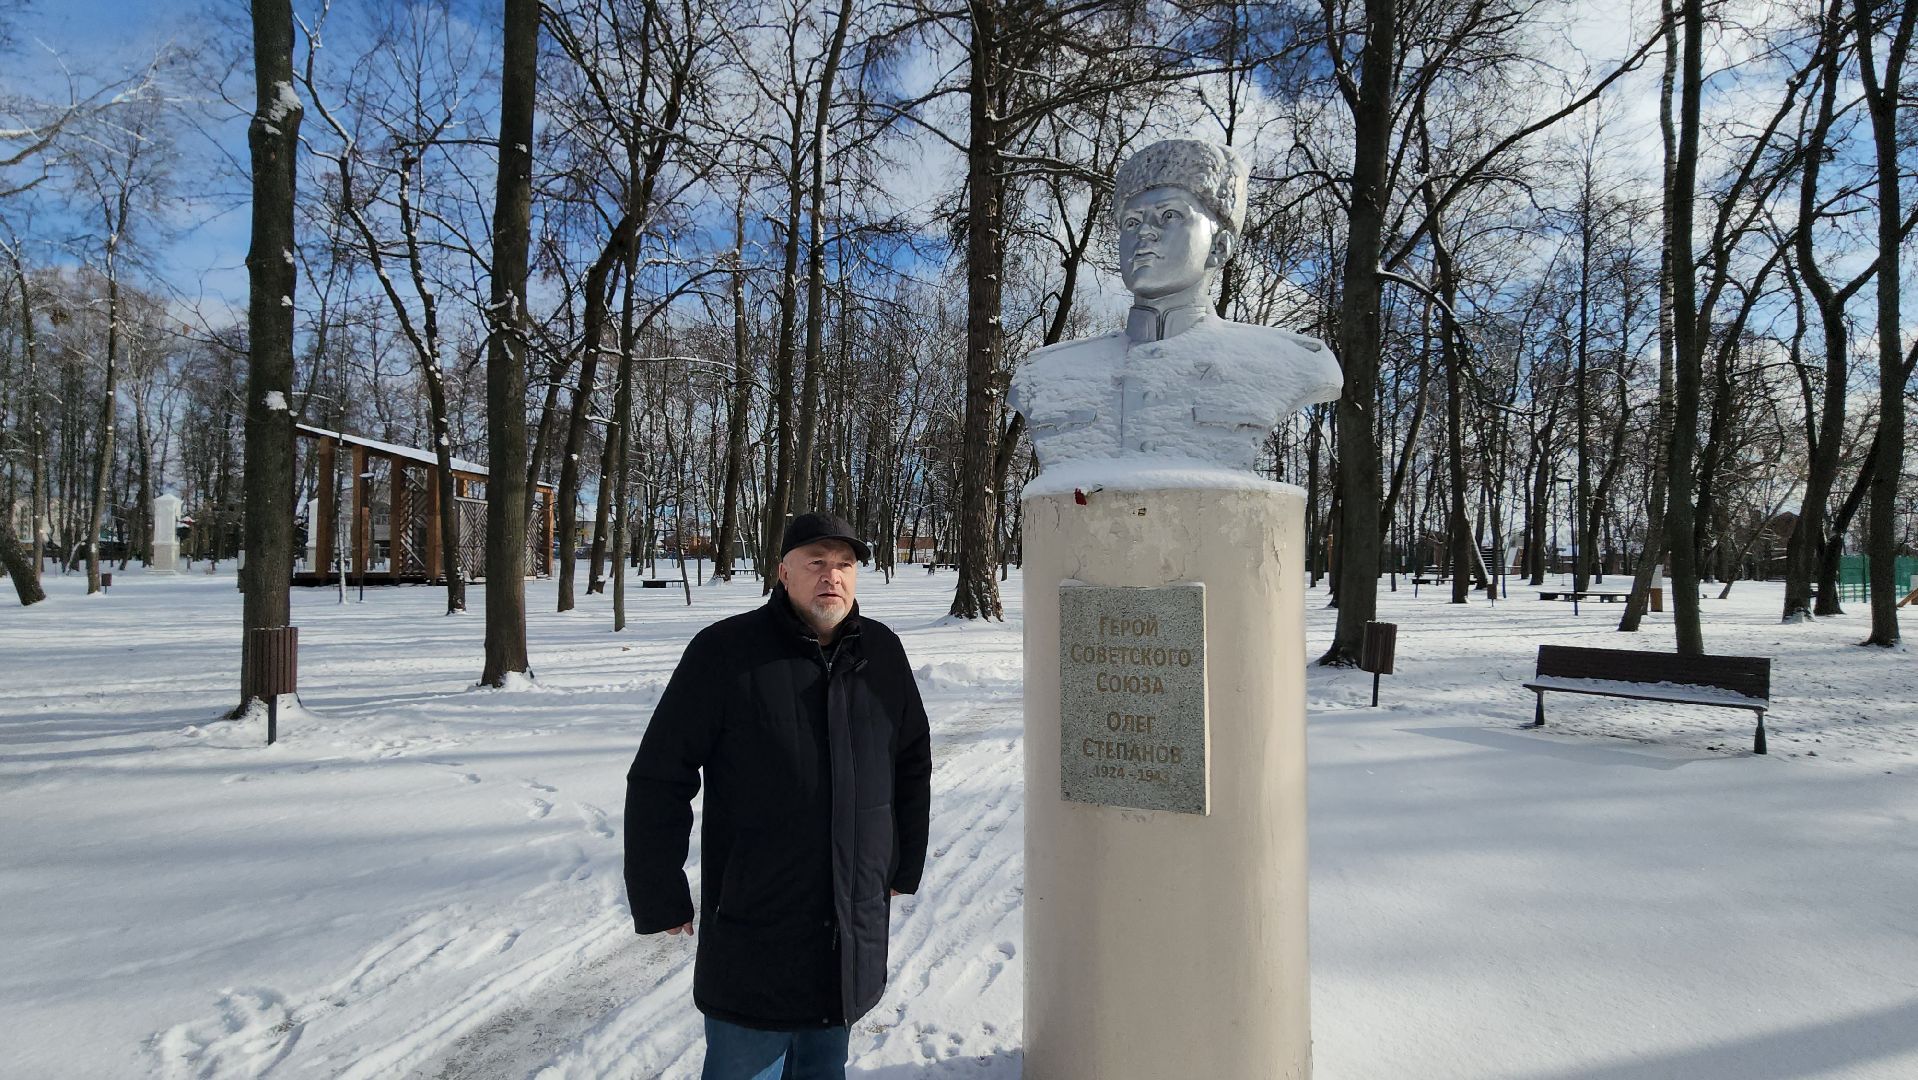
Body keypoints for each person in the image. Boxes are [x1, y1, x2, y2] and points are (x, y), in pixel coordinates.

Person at [625, 511, 932, 1080]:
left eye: (845, 565)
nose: (831, 577)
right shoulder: (725, 652)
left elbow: (911, 759)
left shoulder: (881, 653)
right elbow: (659, 776)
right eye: (816, 562)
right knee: (746, 1066)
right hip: (757, 919)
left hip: (849, 919)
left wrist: (903, 860)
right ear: (783, 572)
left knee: (823, 1066)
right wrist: (658, 889)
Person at [1010, 138, 1343, 476]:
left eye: (1169, 215)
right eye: (1132, 222)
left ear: (1219, 246)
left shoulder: (1289, 361)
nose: (1145, 234)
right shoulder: (1044, 373)